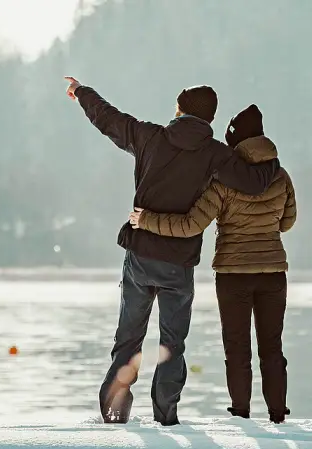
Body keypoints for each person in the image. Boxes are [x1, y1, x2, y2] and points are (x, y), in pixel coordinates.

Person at [64, 77, 279, 426]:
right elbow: (254, 183)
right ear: (209, 120)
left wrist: (81, 92)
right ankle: (166, 417)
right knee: (171, 343)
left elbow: (107, 118)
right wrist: (272, 162)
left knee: (129, 338)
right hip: (178, 265)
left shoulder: (149, 136)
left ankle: (115, 412)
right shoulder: (216, 155)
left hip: (140, 255)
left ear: (180, 110)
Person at [129, 104, 296, 423]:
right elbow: (287, 222)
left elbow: (191, 224)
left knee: (237, 347)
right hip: (273, 273)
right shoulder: (280, 175)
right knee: (272, 347)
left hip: (233, 275)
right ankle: (277, 413)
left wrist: (147, 220)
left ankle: (242, 412)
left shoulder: (223, 179)